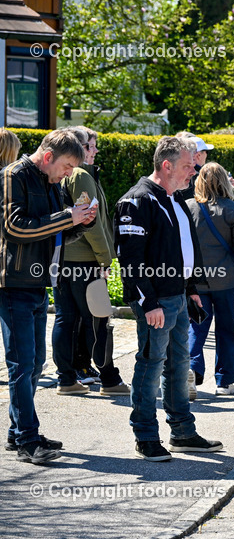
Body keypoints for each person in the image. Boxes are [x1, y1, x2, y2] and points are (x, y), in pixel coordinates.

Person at [114, 136, 222, 462]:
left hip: (176, 297)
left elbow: (183, 251)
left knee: (178, 366)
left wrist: (192, 291)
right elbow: (130, 260)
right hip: (156, 302)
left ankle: (183, 432)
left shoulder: (174, 200)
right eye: (189, 166)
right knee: (150, 366)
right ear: (167, 165)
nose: (194, 171)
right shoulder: (137, 202)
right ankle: (145, 435)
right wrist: (148, 303)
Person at [1, 130, 96, 464]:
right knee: (22, 363)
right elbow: (14, 227)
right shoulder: (15, 174)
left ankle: (19, 433)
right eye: (68, 165)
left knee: (35, 362)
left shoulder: (51, 182)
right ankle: (27, 439)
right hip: (13, 283)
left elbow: (54, 229)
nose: (69, 173)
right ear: (47, 157)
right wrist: (65, 217)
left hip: (39, 281)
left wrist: (80, 222)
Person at [52, 126, 129, 396]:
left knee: (66, 319)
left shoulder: (66, 174)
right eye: (89, 146)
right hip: (84, 262)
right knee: (98, 319)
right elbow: (92, 222)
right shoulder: (81, 174)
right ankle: (109, 379)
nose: (94, 151)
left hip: (63, 261)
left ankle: (67, 378)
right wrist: (105, 259)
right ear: (77, 147)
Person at [186, 163, 234, 396]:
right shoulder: (233, 210)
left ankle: (191, 370)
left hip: (196, 281)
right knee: (226, 330)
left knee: (196, 327)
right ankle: (224, 381)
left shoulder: (188, 208)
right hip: (227, 281)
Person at [178, 133, 212, 201]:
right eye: (206, 152)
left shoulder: (178, 172)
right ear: (198, 155)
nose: (206, 155)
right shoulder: (199, 176)